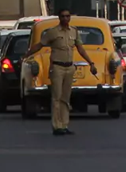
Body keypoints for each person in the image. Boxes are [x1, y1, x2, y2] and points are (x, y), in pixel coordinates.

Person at [24, 8, 98, 136]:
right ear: (59, 18)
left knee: (65, 98)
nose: (65, 19)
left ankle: (64, 124)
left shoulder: (74, 32)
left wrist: (91, 63)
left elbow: (80, 49)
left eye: (67, 16)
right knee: (56, 97)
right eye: (63, 16)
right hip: (57, 67)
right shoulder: (53, 32)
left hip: (69, 67)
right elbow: (40, 45)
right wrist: (26, 54)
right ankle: (57, 126)